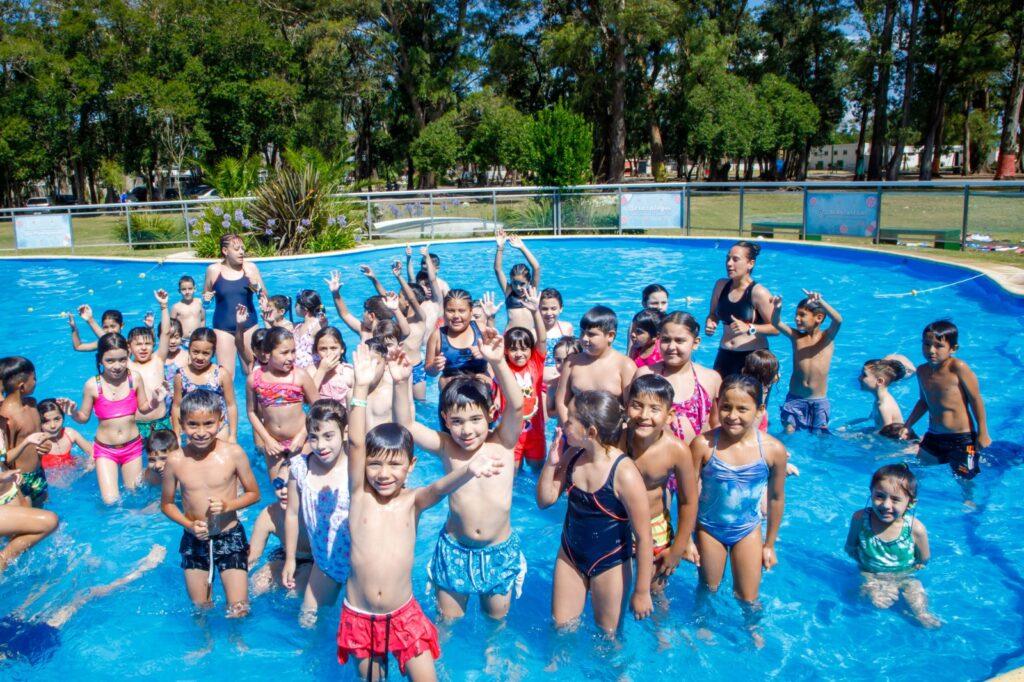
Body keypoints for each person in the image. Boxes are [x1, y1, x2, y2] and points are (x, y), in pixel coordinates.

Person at [338, 345, 503, 680]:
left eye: (394, 465)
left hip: (403, 614)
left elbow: (438, 489)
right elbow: (355, 443)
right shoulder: (359, 495)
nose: (383, 474)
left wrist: (469, 469)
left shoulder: (412, 501)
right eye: (375, 465)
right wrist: (360, 389)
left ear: (410, 466)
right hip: (361, 616)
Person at [395, 326, 526, 622]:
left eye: (476, 419)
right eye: (457, 421)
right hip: (455, 550)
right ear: (445, 419)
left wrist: (497, 362)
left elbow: (517, 405)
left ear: (492, 413)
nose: (467, 430)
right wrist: (401, 382)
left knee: (496, 625)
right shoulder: (447, 447)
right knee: (447, 624)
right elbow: (407, 425)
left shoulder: (503, 441)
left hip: (499, 551)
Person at [536, 391, 653, 636]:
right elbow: (545, 500)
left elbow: (644, 537)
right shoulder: (573, 455)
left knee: (608, 637)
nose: (564, 425)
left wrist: (642, 591)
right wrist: (551, 463)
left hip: (610, 562)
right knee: (561, 630)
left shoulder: (624, 473)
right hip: (570, 556)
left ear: (591, 432)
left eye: (570, 421)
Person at [691, 375, 787, 645]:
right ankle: (704, 621)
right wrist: (686, 539)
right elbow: (688, 497)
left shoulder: (773, 450)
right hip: (709, 528)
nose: (732, 416)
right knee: (708, 587)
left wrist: (770, 544)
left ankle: (751, 626)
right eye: (726, 407)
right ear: (717, 405)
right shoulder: (703, 445)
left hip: (747, 529)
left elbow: (776, 498)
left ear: (760, 411)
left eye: (742, 409)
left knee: (748, 596)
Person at [161, 389, 261, 617]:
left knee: (239, 608)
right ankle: (204, 638)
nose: (201, 432)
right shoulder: (175, 460)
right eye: (193, 425)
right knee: (201, 609)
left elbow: (254, 493)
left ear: (220, 421)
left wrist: (228, 506)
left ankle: (236, 638)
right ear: (181, 424)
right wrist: (188, 525)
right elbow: (167, 504)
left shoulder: (233, 454)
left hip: (229, 536)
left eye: (208, 424)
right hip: (195, 539)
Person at [0, 544, 165, 664]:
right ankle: (141, 570)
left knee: (40, 594)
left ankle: (84, 570)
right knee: (83, 597)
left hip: (11, 640)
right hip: (25, 646)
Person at [62, 334, 167, 504]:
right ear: (100, 360)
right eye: (110, 361)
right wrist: (73, 412)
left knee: (135, 495)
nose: (117, 366)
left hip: (132, 447)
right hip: (105, 450)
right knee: (110, 501)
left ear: (128, 356)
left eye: (122, 360)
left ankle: (152, 476)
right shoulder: (92, 385)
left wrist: (155, 401)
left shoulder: (134, 378)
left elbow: (143, 408)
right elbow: (83, 418)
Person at [622, 374, 699, 591]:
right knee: (614, 588)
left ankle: (659, 615)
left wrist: (678, 548)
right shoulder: (617, 440)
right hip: (617, 522)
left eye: (654, 409)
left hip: (654, 526)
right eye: (637, 406)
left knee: (654, 590)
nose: (644, 415)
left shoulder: (677, 451)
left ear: (669, 416)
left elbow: (688, 501)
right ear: (626, 406)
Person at [843, 464, 939, 628]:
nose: (886, 505)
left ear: (911, 503)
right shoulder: (860, 519)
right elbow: (851, 548)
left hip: (903, 575)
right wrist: (870, 577)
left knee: (915, 588)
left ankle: (922, 614)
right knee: (874, 601)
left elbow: (922, 561)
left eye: (895, 499)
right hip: (870, 572)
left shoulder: (915, 529)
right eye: (880, 496)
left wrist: (896, 578)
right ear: (871, 493)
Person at [282, 399, 352, 625]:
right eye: (314, 437)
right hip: (324, 562)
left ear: (345, 432)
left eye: (328, 436)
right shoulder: (300, 468)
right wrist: (290, 559)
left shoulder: (356, 468)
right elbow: (292, 514)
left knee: (356, 625)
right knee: (307, 619)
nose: (321, 445)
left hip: (359, 563)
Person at [904, 320, 990, 480]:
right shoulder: (921, 371)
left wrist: (983, 433)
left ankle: (969, 496)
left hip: (963, 439)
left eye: (939, 346)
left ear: (953, 349)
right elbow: (923, 402)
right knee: (916, 471)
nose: (931, 350)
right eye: (926, 344)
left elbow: (975, 399)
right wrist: (908, 425)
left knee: (966, 478)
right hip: (934, 435)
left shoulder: (958, 368)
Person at [635, 312, 721, 445]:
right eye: (665, 340)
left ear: (695, 343)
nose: (671, 347)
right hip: (656, 454)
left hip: (698, 455)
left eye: (679, 341)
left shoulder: (711, 378)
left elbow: (717, 424)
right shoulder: (645, 374)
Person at [246, 328, 319, 479]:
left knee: (300, 483)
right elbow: (251, 412)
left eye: (293, 351)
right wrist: (267, 439)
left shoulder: (300, 375)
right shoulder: (254, 379)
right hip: (274, 444)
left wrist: (302, 434)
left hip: (301, 441)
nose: (291, 357)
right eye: (284, 353)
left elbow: (317, 408)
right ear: (267, 353)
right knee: (278, 486)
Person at [769, 290, 842, 433]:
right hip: (795, 399)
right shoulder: (796, 337)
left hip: (818, 402)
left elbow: (838, 320)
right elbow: (776, 323)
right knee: (789, 430)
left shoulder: (827, 338)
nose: (797, 318)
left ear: (819, 318)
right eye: (796, 314)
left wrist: (820, 302)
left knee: (820, 435)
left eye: (802, 315)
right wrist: (777, 308)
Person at [704, 241, 777, 378]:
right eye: (728, 258)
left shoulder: (759, 293)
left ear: (750, 264)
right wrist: (711, 322)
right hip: (724, 354)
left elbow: (776, 328)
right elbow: (713, 314)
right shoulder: (721, 286)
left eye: (735, 259)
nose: (729, 263)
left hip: (752, 359)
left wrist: (750, 327)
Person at [555, 306, 637, 425]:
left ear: (610, 336)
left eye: (591, 334)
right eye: (582, 332)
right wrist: (568, 427)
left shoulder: (625, 366)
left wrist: (624, 430)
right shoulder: (572, 363)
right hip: (577, 430)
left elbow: (632, 407)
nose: (584, 338)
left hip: (612, 431)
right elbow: (561, 402)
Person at [202, 233, 267, 376]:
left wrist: (255, 285)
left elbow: (264, 299)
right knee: (226, 375)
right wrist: (206, 301)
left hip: (249, 326)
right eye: (237, 249)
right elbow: (206, 302)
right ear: (225, 251)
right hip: (223, 329)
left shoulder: (250, 268)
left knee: (252, 372)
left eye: (243, 248)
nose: (242, 252)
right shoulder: (213, 270)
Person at [499, 285, 547, 470]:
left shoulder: (536, 363)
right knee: (513, 477)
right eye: (513, 349)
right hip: (512, 433)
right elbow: (492, 350)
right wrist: (490, 319)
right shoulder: (503, 368)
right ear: (506, 351)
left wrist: (536, 313)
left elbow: (542, 340)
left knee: (537, 473)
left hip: (535, 432)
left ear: (531, 350)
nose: (519, 354)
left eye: (524, 348)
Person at [249, 463, 313, 597]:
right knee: (256, 585)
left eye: (290, 485)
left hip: (313, 561)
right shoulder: (269, 514)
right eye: (278, 484)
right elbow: (252, 558)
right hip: (283, 556)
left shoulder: (315, 516)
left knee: (295, 593)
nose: (283, 491)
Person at [172, 327, 238, 444]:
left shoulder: (221, 374)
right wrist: (177, 434)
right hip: (193, 429)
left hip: (219, 428)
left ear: (213, 353)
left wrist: (233, 435)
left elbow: (231, 405)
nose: (200, 357)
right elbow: (176, 406)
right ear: (189, 349)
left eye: (206, 353)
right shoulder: (181, 375)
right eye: (195, 352)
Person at [0, 357, 50, 505]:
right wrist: (26, 443)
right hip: (20, 478)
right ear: (22, 386)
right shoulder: (7, 417)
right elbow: (4, 458)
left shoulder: (32, 404)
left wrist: (46, 445)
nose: (36, 381)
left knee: (43, 507)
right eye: (34, 378)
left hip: (39, 471)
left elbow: (39, 435)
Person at [129, 290, 174, 445]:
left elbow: (166, 333)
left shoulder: (158, 359)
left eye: (147, 344)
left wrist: (164, 306)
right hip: (137, 426)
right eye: (138, 344)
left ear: (153, 345)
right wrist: (91, 321)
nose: (143, 348)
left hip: (161, 422)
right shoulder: (127, 365)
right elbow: (108, 341)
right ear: (129, 347)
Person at [425, 288, 490, 390]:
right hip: (452, 395)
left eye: (462, 311)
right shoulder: (437, 336)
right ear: (444, 311)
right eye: (450, 311)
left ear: (471, 311)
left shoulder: (481, 329)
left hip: (480, 392)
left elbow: (499, 360)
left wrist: (486, 355)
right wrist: (434, 366)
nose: (456, 316)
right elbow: (429, 372)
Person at [0, 466, 59, 572]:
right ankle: (3, 560)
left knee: (45, 522)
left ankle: (3, 561)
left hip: (10, 494)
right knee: (49, 521)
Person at [494, 229, 542, 333]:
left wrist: (522, 247)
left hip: (528, 337)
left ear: (528, 282)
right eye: (514, 283)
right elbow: (498, 269)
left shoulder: (532, 292)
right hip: (510, 337)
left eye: (522, 284)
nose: (518, 287)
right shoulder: (509, 292)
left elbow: (536, 268)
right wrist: (500, 247)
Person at [856, 355, 917, 435]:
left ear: (879, 381)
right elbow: (870, 418)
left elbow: (886, 437)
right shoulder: (880, 400)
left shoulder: (883, 407)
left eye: (864, 375)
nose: (859, 378)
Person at [36, 398, 93, 470]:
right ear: (39, 423)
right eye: (46, 421)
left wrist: (89, 467)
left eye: (57, 419)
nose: (53, 426)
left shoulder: (69, 434)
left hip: (71, 467)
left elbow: (94, 453)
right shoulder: (37, 442)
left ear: (63, 417)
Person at [308, 326, 354, 405]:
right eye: (323, 349)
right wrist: (322, 370)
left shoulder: (348, 372)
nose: (328, 353)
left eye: (333, 348)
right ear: (316, 351)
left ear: (342, 349)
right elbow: (307, 399)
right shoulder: (311, 371)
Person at [741, 350, 779, 433]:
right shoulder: (758, 396)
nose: (778, 376)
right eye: (775, 373)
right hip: (755, 433)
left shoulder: (746, 392)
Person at [292, 289, 326, 369]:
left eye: (296, 304)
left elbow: (323, 323)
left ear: (305, 309)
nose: (294, 307)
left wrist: (322, 316)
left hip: (311, 370)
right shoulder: (298, 326)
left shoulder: (317, 325)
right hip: (297, 370)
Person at [171, 275, 206, 341]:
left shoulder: (200, 303)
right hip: (183, 340)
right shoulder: (176, 307)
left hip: (198, 339)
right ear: (179, 291)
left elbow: (202, 320)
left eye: (190, 288)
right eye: (183, 289)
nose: (187, 292)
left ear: (194, 289)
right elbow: (171, 325)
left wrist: (203, 334)